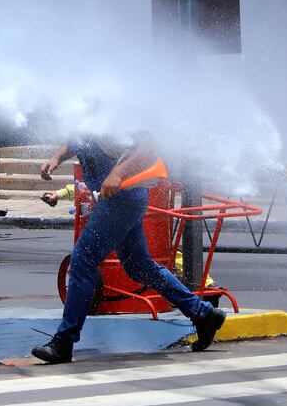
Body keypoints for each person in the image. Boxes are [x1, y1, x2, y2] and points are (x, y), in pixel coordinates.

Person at [31, 136, 226, 364]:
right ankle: (204, 315)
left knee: (83, 260)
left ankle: (63, 342)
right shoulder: (85, 107)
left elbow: (149, 144)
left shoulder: (118, 108)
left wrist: (117, 173)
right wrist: (56, 159)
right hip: (120, 199)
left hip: (122, 198)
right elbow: (77, 138)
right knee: (138, 266)